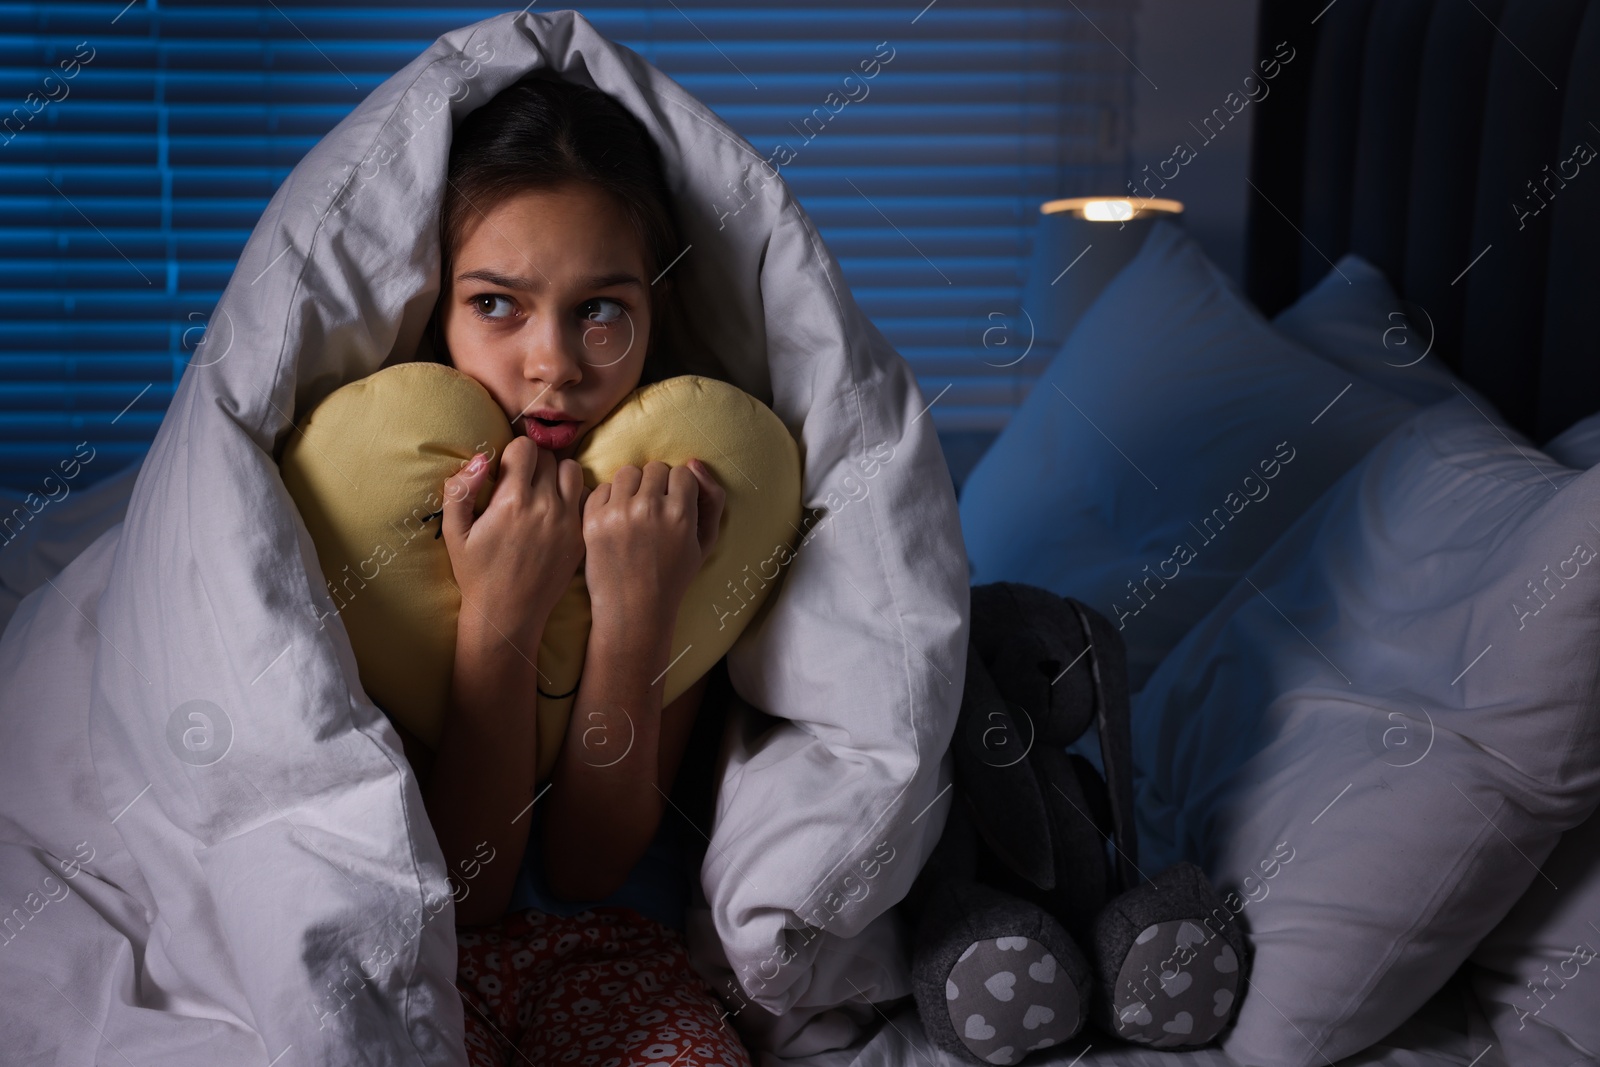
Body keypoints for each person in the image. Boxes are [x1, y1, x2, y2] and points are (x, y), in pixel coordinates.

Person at [384, 73, 753, 1067]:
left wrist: (637, 609)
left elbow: (589, 870)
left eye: (600, 310)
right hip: (407, 942)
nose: (552, 362)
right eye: (496, 304)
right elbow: (464, 891)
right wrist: (499, 608)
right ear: (432, 309)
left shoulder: (685, 501)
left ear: (655, 308)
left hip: (614, 947)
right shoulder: (378, 501)